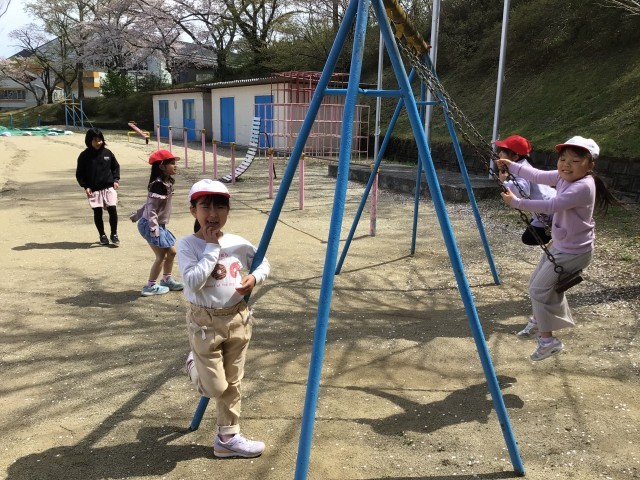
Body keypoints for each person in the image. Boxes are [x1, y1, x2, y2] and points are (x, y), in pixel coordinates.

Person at [497, 136, 624, 361]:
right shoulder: (563, 176)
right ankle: (539, 319)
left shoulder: (583, 187)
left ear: (590, 165)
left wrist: (517, 203)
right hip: (562, 245)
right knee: (535, 284)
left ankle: (548, 342)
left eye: (575, 161)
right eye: (563, 159)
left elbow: (552, 205)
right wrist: (511, 166)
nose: (566, 165)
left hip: (574, 251)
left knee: (539, 290)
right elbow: (537, 175)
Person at [177, 179, 270, 458]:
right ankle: (193, 364)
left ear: (228, 210)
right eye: (205, 206)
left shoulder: (238, 242)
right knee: (216, 387)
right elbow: (193, 281)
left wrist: (255, 277)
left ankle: (227, 438)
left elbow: (262, 262)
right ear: (193, 211)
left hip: (238, 319)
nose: (213, 213)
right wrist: (211, 247)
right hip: (204, 324)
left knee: (233, 381)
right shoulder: (188, 245)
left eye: (220, 206)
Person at [130, 150, 184, 297]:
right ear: (161, 166)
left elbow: (149, 204)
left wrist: (137, 214)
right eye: (171, 163)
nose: (175, 165)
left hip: (158, 224)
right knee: (161, 256)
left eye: (174, 163)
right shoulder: (158, 185)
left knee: (172, 252)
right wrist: (154, 228)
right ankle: (150, 286)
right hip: (151, 225)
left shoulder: (166, 183)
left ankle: (167, 280)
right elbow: (152, 208)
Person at [495, 134, 556, 245]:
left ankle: (556, 232)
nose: (499, 154)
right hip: (547, 202)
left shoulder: (521, 169)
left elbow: (522, 190)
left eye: (502, 152)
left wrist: (504, 182)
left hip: (547, 210)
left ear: (515, 157)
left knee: (528, 238)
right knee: (532, 226)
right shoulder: (522, 164)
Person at [75, 128, 120, 246]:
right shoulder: (84, 156)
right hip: (93, 189)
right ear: (89, 141)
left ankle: (114, 234)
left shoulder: (108, 153)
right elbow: (80, 173)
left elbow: (115, 167)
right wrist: (86, 186)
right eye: (95, 140)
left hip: (108, 186)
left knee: (112, 209)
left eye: (100, 140)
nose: (98, 143)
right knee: (98, 212)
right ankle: (102, 235)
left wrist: (116, 180)